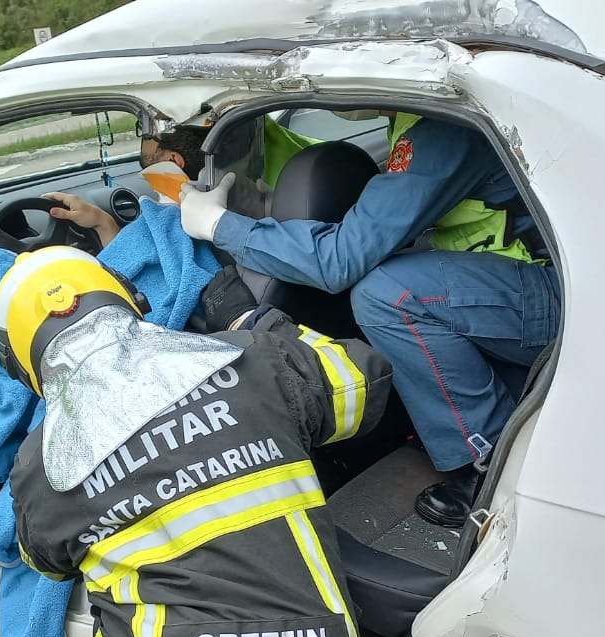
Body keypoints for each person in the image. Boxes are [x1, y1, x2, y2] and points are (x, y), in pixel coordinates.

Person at [0, 248, 392, 637]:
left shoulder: (42, 464)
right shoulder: (257, 359)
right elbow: (363, 380)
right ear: (128, 298)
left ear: (23, 362)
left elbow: (45, 562)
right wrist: (250, 319)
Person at [178, 111, 560, 529]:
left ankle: (490, 461)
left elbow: (338, 261)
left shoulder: (447, 127)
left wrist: (218, 225)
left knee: (387, 292)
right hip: (518, 279)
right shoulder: (416, 117)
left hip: (553, 293)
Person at [46, 118, 318, 247]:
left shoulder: (186, 224)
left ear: (174, 163)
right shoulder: (259, 131)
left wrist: (103, 224)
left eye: (150, 167)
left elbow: (136, 280)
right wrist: (100, 221)